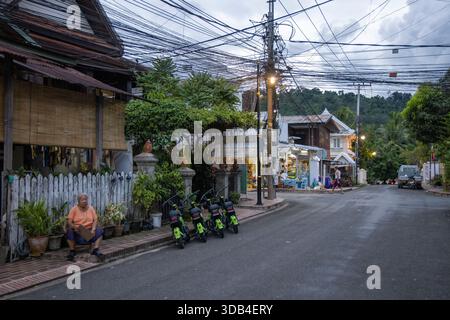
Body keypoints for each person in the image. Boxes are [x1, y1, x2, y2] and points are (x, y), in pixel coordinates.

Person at [66, 194, 104, 261]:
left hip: (89, 230)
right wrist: (74, 227)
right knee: (69, 231)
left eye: (85, 199)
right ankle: (72, 251)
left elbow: (95, 219)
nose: (84, 201)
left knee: (99, 231)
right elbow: (69, 221)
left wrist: (93, 229)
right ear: (78, 201)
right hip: (78, 231)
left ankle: (96, 249)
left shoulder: (91, 208)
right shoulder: (74, 209)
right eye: (82, 200)